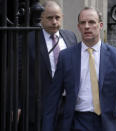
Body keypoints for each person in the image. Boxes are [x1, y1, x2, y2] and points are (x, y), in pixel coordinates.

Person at [42, 7, 116, 131]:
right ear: (78, 27)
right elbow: (53, 97)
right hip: (78, 122)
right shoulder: (66, 57)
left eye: (91, 22)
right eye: (83, 23)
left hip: (109, 123)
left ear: (100, 25)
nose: (87, 26)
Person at [18, 1, 77, 131]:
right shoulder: (28, 39)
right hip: (39, 106)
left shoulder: (70, 37)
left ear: (62, 17)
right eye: (50, 18)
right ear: (41, 18)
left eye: (57, 17)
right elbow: (18, 73)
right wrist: (17, 104)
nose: (54, 22)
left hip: (66, 103)